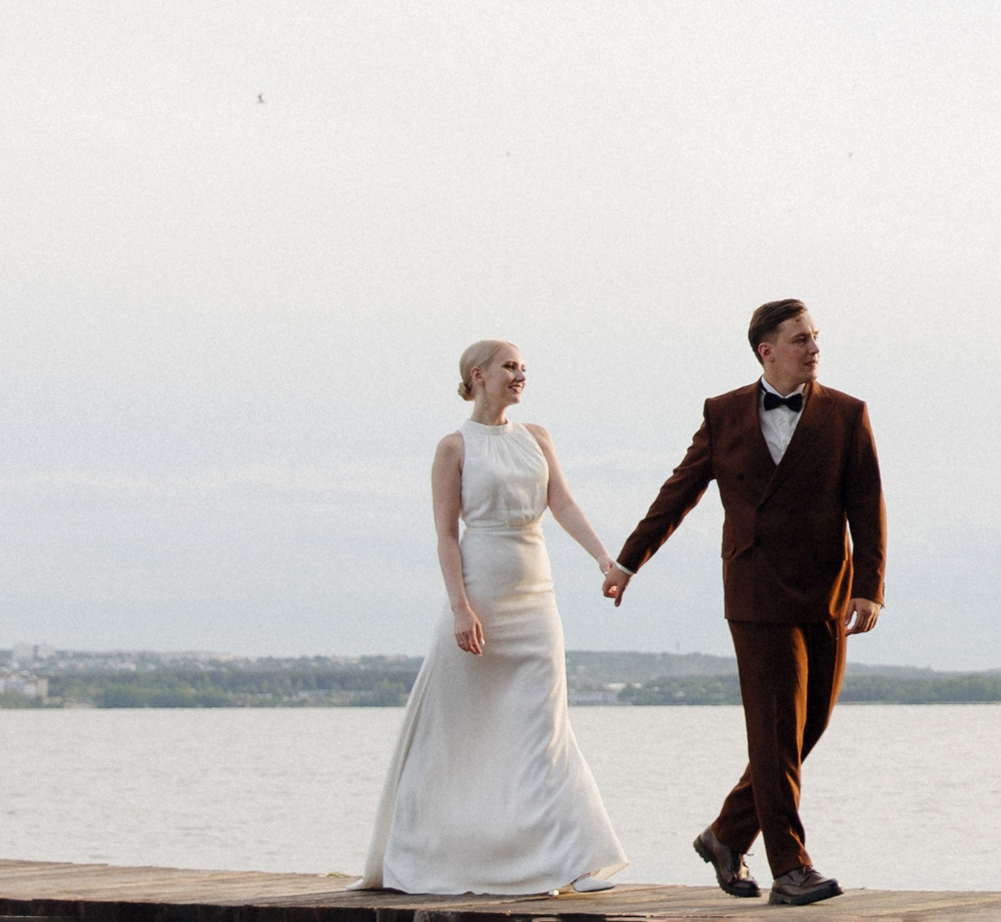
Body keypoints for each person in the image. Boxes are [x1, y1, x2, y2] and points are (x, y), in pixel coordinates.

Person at [603, 300, 885, 906]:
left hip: (826, 593)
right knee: (775, 728)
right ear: (767, 351)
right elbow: (680, 491)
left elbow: (867, 504)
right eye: (801, 339)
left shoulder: (848, 414)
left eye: (816, 338)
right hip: (755, 592)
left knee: (807, 726)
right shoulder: (724, 413)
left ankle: (726, 835)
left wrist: (869, 585)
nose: (814, 348)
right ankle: (791, 869)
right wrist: (628, 561)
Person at [355, 339, 630, 896]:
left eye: (524, 367)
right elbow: (446, 535)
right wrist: (461, 607)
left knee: (544, 728)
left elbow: (564, 505)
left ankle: (571, 861)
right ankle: (425, 852)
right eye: (510, 366)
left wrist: (604, 556)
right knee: (455, 730)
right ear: (478, 375)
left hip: (537, 594)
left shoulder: (537, 439)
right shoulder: (454, 448)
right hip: (480, 594)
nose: (521, 374)